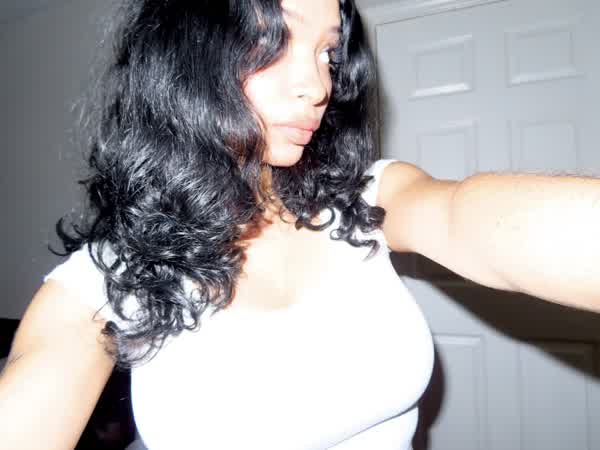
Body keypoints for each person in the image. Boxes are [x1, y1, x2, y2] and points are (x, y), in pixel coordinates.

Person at [1, 0, 600, 448]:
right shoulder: (108, 279)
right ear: (187, 55)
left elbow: (465, 215)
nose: (317, 86)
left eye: (327, 54)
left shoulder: (366, 199)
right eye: (272, 40)